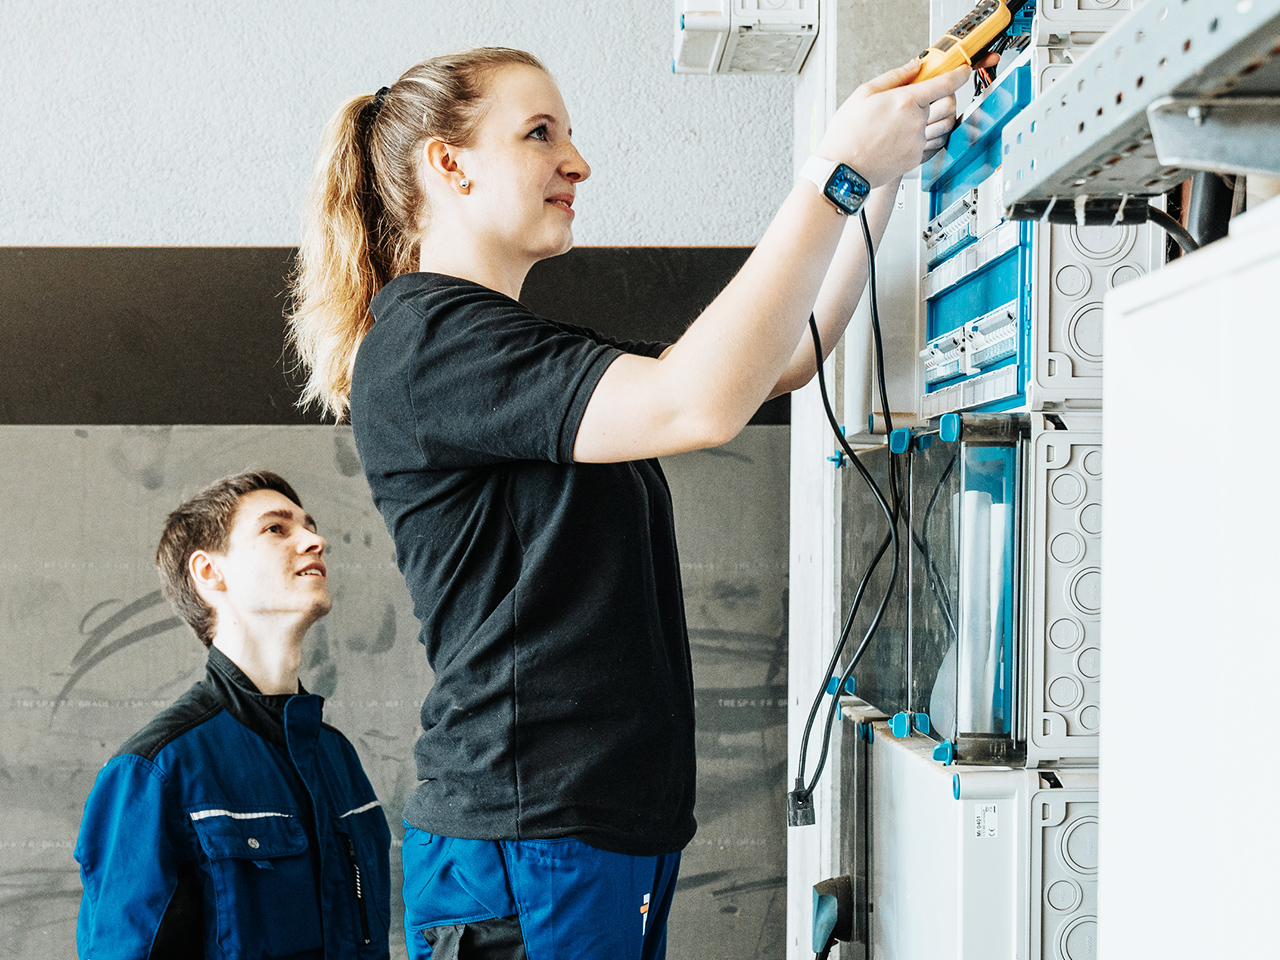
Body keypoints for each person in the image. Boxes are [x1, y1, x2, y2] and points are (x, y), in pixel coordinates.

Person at [287, 47, 970, 960]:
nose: (578, 162)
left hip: (590, 831)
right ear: (448, 164)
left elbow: (779, 362)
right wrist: (834, 173)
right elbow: (701, 401)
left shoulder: (512, 344)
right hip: (528, 840)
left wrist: (878, 179)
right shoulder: (427, 344)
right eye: (540, 134)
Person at [73, 470, 391, 960]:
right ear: (209, 573)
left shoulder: (338, 757)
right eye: (276, 529)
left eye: (309, 526)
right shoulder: (154, 773)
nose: (315, 540)